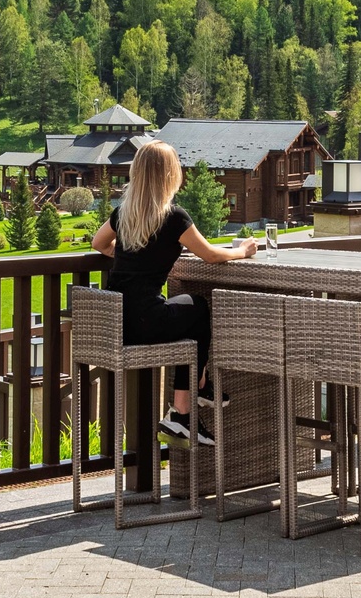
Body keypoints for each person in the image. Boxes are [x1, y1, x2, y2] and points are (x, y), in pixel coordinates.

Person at [92, 139, 262, 443]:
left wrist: (131, 255)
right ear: (170, 175)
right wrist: (243, 251)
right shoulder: (173, 217)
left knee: (188, 314)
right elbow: (210, 254)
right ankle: (194, 394)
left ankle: (186, 409)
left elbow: (98, 243)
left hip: (117, 323)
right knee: (198, 308)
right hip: (147, 322)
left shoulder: (124, 214)